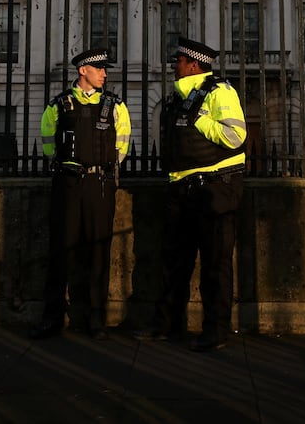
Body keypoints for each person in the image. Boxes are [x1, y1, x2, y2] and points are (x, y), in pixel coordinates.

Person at [137, 38, 248, 352]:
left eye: (180, 61)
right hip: (181, 190)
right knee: (173, 264)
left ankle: (216, 331)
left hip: (215, 189)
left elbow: (236, 135)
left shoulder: (219, 92)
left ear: (194, 64)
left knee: (215, 265)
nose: (175, 65)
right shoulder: (176, 99)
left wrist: (200, 120)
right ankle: (167, 325)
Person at [30, 47, 130, 341]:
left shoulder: (115, 106)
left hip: (100, 185)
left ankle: (95, 318)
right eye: (99, 68)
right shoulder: (58, 105)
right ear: (82, 70)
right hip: (68, 184)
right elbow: (48, 143)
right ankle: (52, 317)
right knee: (61, 250)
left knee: (98, 251)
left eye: (105, 69)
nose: (104, 73)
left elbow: (121, 146)